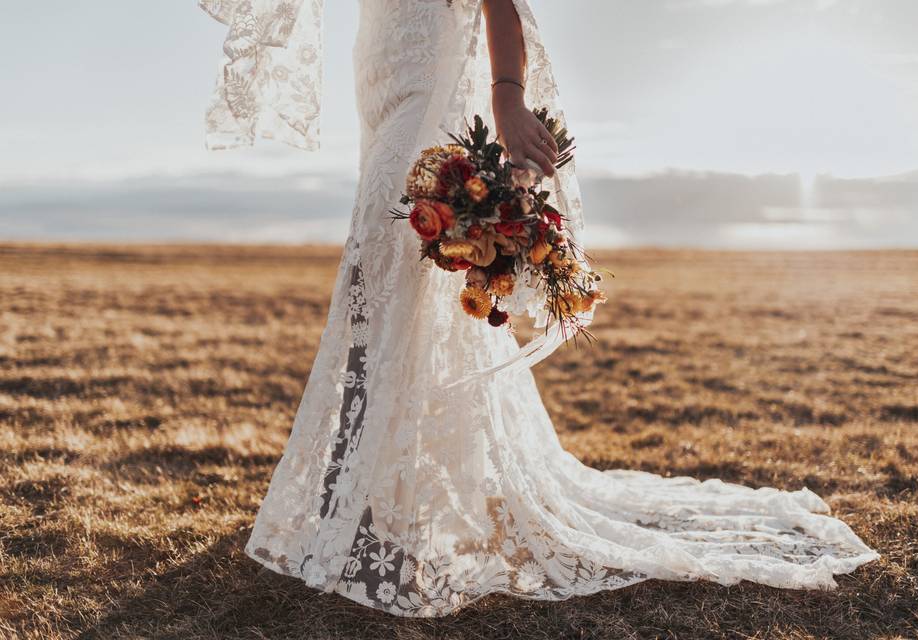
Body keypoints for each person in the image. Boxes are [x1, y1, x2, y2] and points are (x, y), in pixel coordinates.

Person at [201, 0, 878, 618]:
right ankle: (357, 490)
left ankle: (357, 503)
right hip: (380, 67)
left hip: (428, 78)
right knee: (372, 290)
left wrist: (507, 99)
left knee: (379, 277)